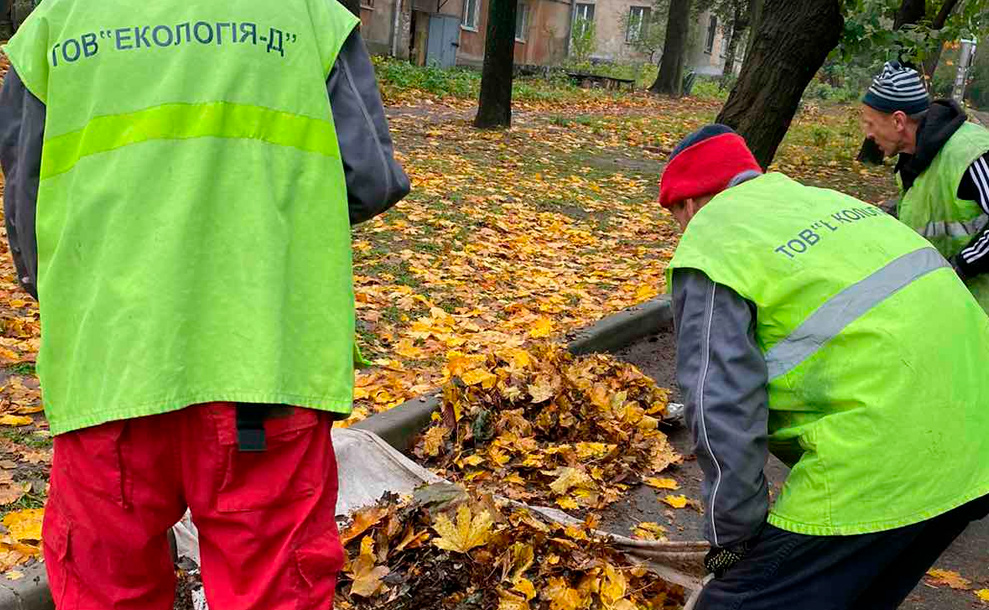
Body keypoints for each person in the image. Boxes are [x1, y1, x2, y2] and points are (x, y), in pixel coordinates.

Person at [0, 0, 410, 607]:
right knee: (273, 590)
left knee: (105, 590)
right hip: (264, 361)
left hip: (108, 365)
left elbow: (27, 213)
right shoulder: (307, 17)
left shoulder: (55, 26)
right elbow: (368, 179)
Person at [661, 124, 989, 609]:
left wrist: (733, 543)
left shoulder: (714, 242)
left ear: (688, 204)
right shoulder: (825, 202)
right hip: (976, 441)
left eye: (675, 219)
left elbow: (719, 406)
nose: (680, 232)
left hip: (886, 452)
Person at [860, 60, 989, 310]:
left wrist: (959, 267)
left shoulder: (969, 152)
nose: (868, 134)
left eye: (870, 123)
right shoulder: (914, 161)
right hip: (950, 306)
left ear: (898, 121)